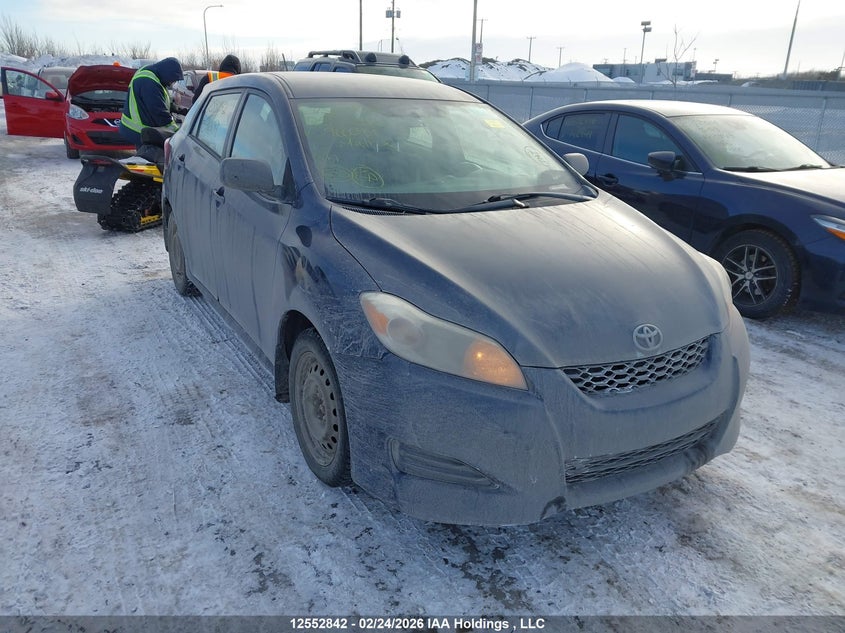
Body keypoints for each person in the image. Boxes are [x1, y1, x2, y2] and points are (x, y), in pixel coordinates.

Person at [119, 57, 184, 148]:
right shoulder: (149, 82)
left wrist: (181, 110)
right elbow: (159, 112)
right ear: (167, 74)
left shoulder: (153, 75)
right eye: (173, 79)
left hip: (141, 128)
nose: (172, 83)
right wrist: (179, 133)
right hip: (138, 130)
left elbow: (162, 101)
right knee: (149, 160)